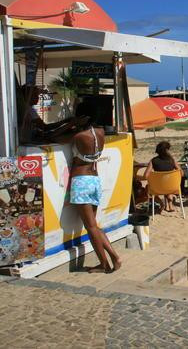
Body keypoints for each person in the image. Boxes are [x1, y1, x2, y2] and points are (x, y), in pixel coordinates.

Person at [70, 117, 121, 273]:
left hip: (81, 181)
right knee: (94, 225)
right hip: (94, 179)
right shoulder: (100, 133)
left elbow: (55, 137)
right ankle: (114, 256)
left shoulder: (78, 136)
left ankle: (104, 264)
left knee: (91, 227)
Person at [143, 141, 181, 212]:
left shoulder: (153, 161)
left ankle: (161, 203)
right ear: (167, 150)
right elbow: (181, 173)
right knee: (168, 183)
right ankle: (170, 205)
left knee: (147, 188)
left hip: (158, 188)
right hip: (172, 188)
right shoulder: (172, 160)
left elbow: (145, 176)